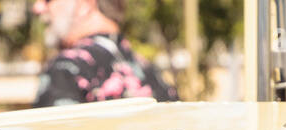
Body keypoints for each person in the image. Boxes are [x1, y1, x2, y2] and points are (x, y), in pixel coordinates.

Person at [32, 0, 178, 107]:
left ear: (84, 5)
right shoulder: (152, 74)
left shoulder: (66, 68)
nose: (37, 7)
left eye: (48, 0)